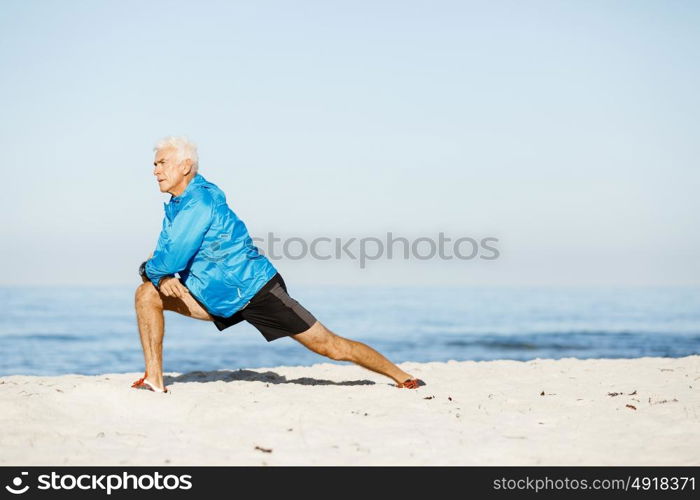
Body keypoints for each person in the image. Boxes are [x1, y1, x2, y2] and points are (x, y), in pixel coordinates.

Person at [133, 136, 424, 393]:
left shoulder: (200, 202)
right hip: (212, 295)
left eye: (161, 163)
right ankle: (154, 379)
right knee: (147, 294)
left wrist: (153, 271)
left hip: (255, 289)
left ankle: (403, 376)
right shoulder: (177, 205)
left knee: (330, 346)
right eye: (155, 164)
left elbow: (169, 259)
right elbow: (166, 255)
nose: (155, 170)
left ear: (185, 166)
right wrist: (159, 278)